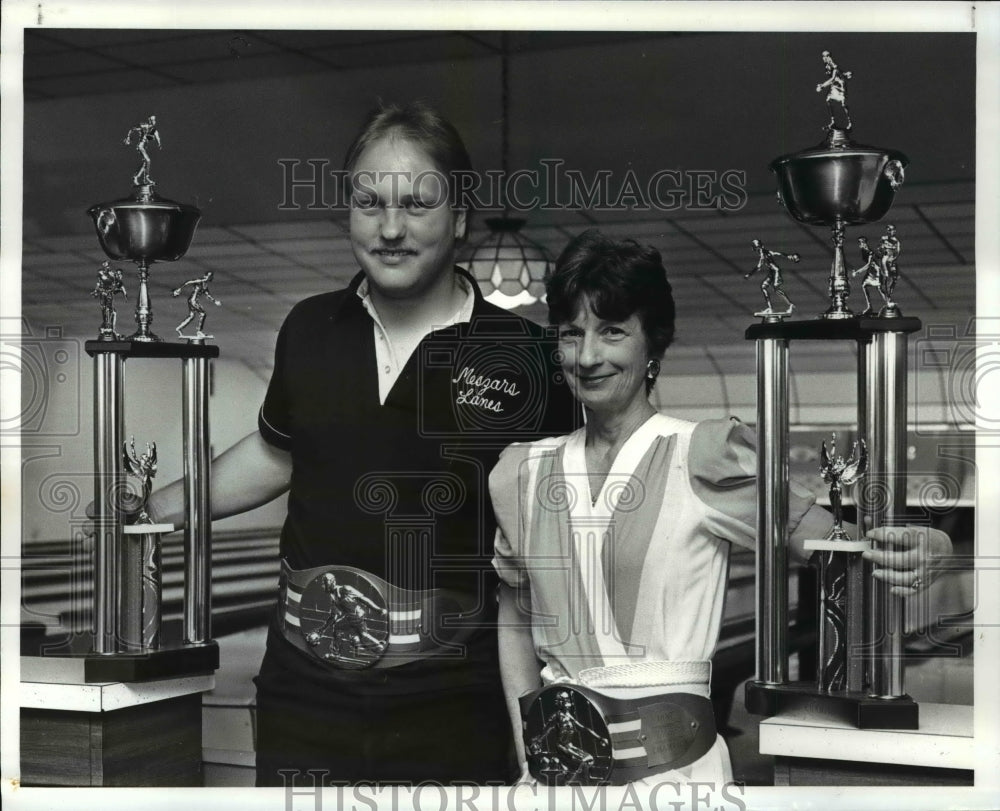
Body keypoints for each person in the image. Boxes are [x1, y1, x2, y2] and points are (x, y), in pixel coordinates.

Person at [143, 101, 576, 786]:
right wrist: (156, 504)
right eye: (369, 202)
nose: (391, 227)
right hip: (304, 691)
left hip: (451, 702)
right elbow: (275, 452)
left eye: (417, 204)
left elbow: (560, 519)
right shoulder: (311, 329)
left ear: (461, 218)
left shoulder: (522, 355)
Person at [490, 229, 952, 787]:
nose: (587, 357)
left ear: (652, 344)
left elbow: (842, 549)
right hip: (553, 783)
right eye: (571, 333)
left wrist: (935, 543)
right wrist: (526, 750)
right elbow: (516, 617)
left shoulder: (705, 454)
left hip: (676, 782)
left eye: (612, 331)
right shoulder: (521, 472)